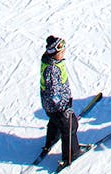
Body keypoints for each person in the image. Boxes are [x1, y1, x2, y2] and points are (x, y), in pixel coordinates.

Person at [35, 36, 78, 168]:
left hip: (49, 105)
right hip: (57, 106)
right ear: (54, 52)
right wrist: (63, 106)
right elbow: (54, 93)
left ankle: (51, 140)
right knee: (70, 125)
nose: (63, 53)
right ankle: (71, 153)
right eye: (61, 52)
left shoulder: (49, 61)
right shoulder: (52, 69)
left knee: (55, 122)